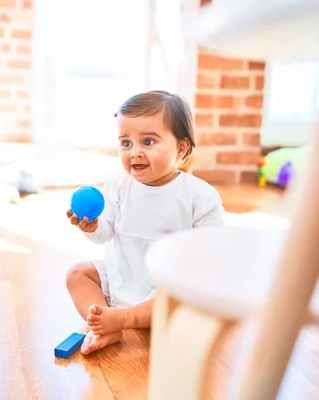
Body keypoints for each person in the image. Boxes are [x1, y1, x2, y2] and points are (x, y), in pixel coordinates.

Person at [65, 90, 225, 355]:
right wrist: (93, 227)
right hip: (124, 276)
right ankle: (104, 324)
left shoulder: (200, 195)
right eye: (126, 143)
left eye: (148, 142)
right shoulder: (118, 184)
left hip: (167, 291)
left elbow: (211, 252)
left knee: (184, 298)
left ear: (181, 147)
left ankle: (125, 318)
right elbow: (107, 231)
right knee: (77, 274)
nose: (134, 152)